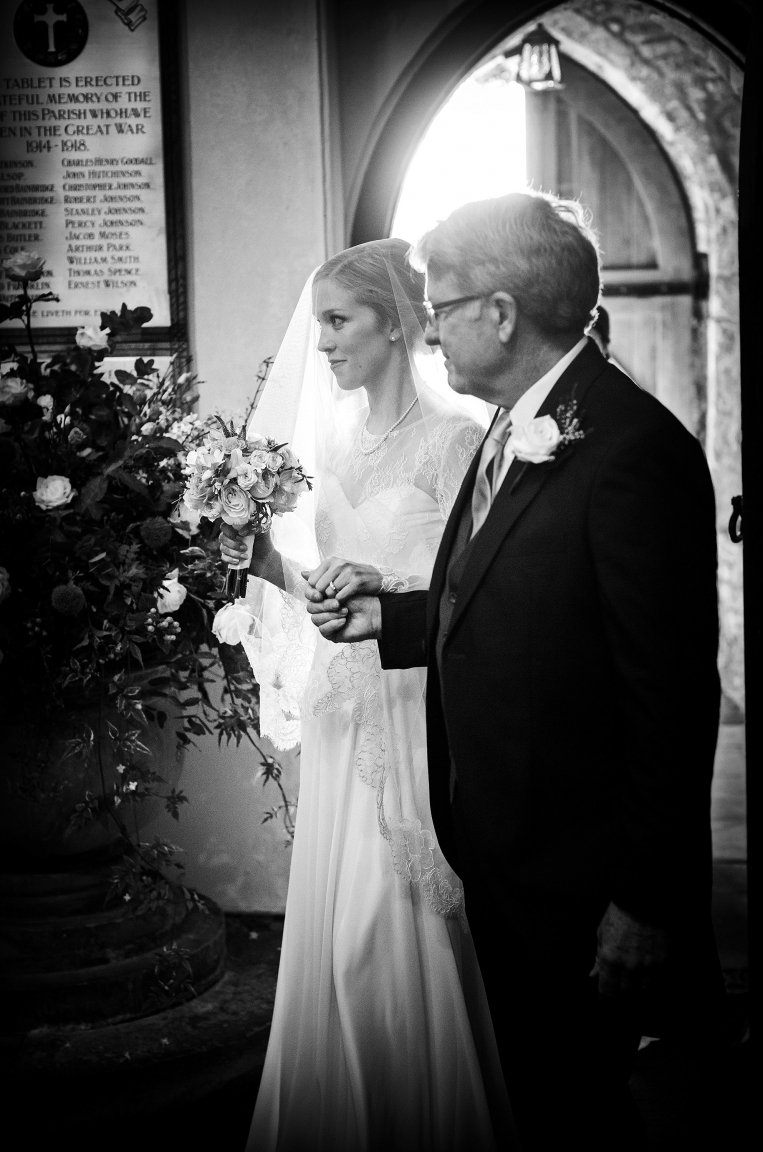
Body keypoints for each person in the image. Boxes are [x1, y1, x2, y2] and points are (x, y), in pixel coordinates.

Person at [306, 193, 725, 1150]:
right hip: (504, 855)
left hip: (581, 876)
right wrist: (393, 617)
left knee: (585, 1115)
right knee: (536, 1100)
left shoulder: (631, 449)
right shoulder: (510, 423)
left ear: (500, 314)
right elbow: (514, 604)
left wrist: (646, 902)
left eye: (442, 307)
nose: (431, 329)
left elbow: (669, 700)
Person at [219, 238, 515, 1151]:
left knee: (379, 937)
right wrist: (268, 564)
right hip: (342, 711)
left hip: (411, 709)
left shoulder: (458, 440)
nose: (324, 343)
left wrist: (384, 593)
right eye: (320, 324)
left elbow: (470, 593)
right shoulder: (335, 443)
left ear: (394, 323)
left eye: (339, 321)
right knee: (334, 933)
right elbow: (329, 588)